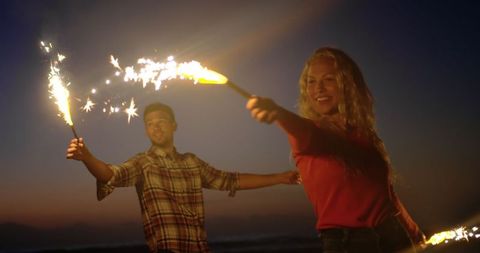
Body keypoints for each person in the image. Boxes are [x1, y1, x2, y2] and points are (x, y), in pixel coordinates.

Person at [246, 47, 426, 253]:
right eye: (311, 82)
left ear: (347, 85)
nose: (318, 89)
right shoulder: (310, 135)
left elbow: (386, 196)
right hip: (347, 244)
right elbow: (299, 128)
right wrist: (277, 112)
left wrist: (414, 233)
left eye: (328, 79)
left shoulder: (364, 134)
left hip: (395, 236)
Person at [66, 102, 300, 253]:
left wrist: (279, 177)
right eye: (149, 124)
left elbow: (231, 180)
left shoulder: (192, 162)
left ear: (174, 126)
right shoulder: (143, 163)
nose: (155, 128)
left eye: (161, 122)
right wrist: (87, 157)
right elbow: (111, 174)